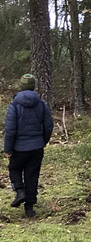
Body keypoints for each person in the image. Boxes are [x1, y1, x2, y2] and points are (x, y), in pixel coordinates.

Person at [3, 74, 54, 218]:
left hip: (19, 148)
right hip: (36, 147)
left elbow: (10, 130)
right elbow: (49, 126)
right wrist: (43, 141)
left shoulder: (14, 105)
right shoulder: (41, 104)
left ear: (21, 86)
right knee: (32, 175)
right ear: (33, 86)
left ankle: (20, 191)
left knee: (14, 169)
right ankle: (29, 208)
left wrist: (7, 148)